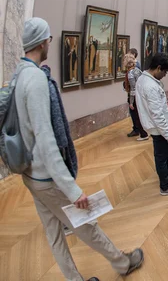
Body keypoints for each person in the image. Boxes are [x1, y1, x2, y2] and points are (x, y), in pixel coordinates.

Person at [15, 18, 144, 281]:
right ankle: (122, 263)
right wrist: (72, 190)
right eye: (49, 39)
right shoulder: (37, 80)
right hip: (45, 175)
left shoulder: (18, 74)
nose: (50, 43)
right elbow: (45, 138)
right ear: (42, 42)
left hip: (30, 172)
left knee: (54, 233)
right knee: (85, 223)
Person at [136, 53, 168, 196]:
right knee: (161, 157)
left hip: (158, 127)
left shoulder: (144, 80)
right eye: (164, 72)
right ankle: (165, 186)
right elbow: (157, 114)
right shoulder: (150, 86)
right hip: (158, 128)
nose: (165, 75)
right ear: (158, 68)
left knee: (165, 154)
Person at [123, 53, 149, 142]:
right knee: (141, 115)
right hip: (141, 96)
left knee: (137, 116)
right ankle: (144, 132)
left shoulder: (130, 73)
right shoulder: (138, 70)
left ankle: (143, 134)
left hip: (136, 97)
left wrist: (131, 102)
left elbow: (133, 89)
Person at [126, 48, 142, 137]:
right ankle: (139, 129)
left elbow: (134, 86)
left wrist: (131, 101)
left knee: (134, 111)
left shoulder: (134, 68)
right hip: (136, 92)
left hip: (135, 94)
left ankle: (138, 129)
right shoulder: (132, 67)